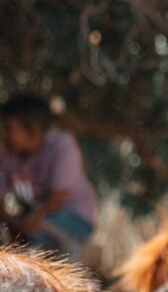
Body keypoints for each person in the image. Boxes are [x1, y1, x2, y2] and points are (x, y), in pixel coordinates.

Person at [0, 95, 98, 262]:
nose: (4, 134)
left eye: (9, 128)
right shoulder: (7, 155)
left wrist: (27, 222)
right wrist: (16, 221)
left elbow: (56, 200)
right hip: (36, 215)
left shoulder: (62, 146)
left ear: (33, 129)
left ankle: (72, 275)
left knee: (39, 232)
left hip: (75, 217)